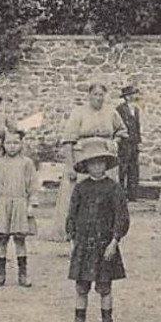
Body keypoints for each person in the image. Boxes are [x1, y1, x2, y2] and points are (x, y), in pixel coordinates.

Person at [60, 137, 131, 322]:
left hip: (104, 246)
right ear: (87, 165)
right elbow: (71, 215)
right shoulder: (81, 188)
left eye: (101, 162)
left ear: (106, 165)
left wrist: (114, 241)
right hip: (83, 244)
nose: (97, 166)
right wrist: (72, 239)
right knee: (81, 288)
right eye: (93, 162)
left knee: (104, 288)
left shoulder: (114, 188)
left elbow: (122, 217)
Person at [50, 83, 128, 237]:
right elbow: (68, 141)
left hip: (104, 157)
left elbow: (122, 131)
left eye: (101, 95)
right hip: (83, 157)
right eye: (95, 94)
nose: (98, 98)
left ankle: (107, 230)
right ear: (89, 95)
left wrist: (114, 142)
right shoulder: (79, 112)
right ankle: (72, 232)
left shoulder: (111, 112)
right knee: (79, 194)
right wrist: (70, 166)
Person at [0, 126, 38, 288]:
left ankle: (23, 274)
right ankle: (0, 274)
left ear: (22, 144)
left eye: (16, 142)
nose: (12, 146)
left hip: (20, 204)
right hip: (2, 204)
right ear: (2, 144)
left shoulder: (27, 163)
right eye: (8, 142)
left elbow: (32, 185)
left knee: (20, 239)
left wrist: (31, 204)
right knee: (2, 239)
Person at [117, 85, 144, 200]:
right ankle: (121, 193)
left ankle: (133, 194)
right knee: (123, 168)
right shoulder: (120, 109)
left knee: (134, 168)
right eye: (132, 94)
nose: (134, 96)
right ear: (127, 97)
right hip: (124, 143)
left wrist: (139, 141)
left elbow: (137, 127)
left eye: (134, 94)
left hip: (133, 143)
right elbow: (118, 125)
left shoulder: (136, 109)